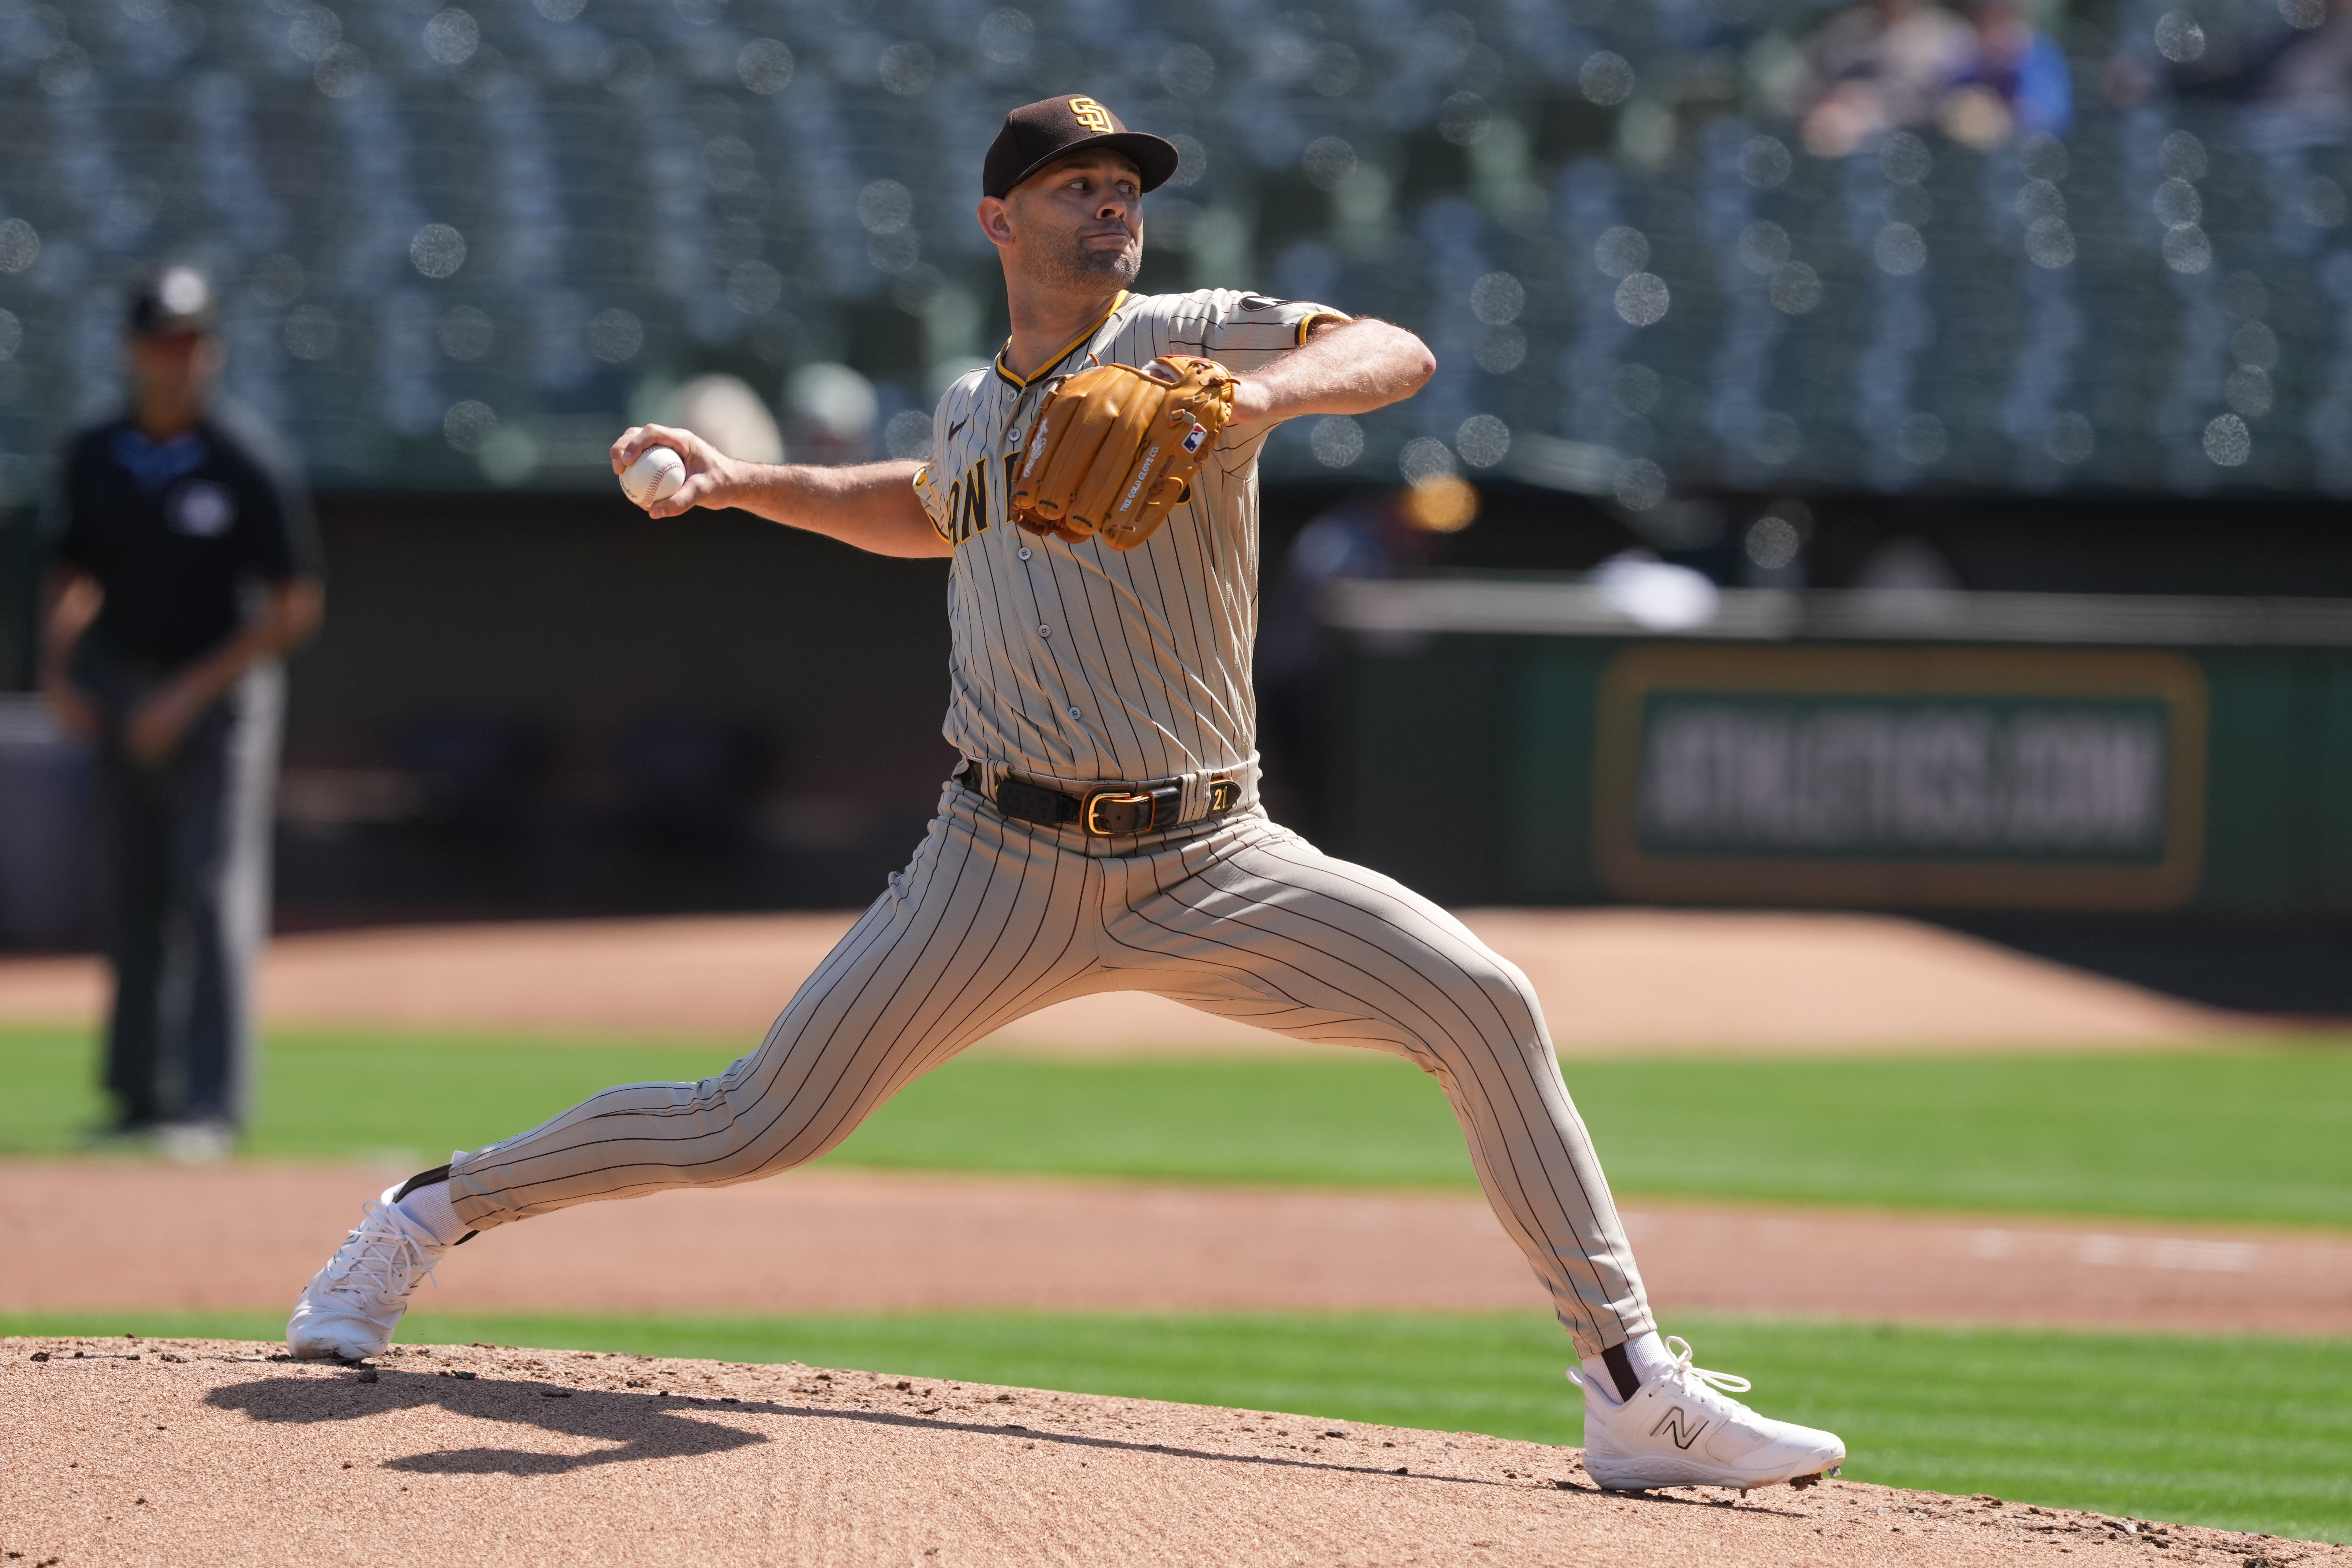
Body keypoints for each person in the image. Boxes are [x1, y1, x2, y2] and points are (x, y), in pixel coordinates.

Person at [285, 96, 1843, 1493]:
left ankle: (1632, 1389)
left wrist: (1249, 406)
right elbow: (921, 506)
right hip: (998, 862)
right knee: (754, 1120)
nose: (1110, 209)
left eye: (1123, 188)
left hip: (1215, 853)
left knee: (1483, 1004)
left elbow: (1389, 350)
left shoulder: (1198, 336)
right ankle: (434, 1209)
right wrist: (743, 484)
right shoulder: (973, 403)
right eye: (1074, 186)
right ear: (997, 220)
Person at [39, 266, 324, 1160]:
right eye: (167, 341)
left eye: (197, 341)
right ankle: (135, 1096)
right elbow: (70, 571)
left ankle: (208, 1105)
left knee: (209, 889)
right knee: (130, 892)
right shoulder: (100, 453)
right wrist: (55, 669)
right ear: (133, 351)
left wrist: (186, 694)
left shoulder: (242, 458)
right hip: (124, 688)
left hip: (221, 699)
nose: (183, 358)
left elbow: (293, 605)